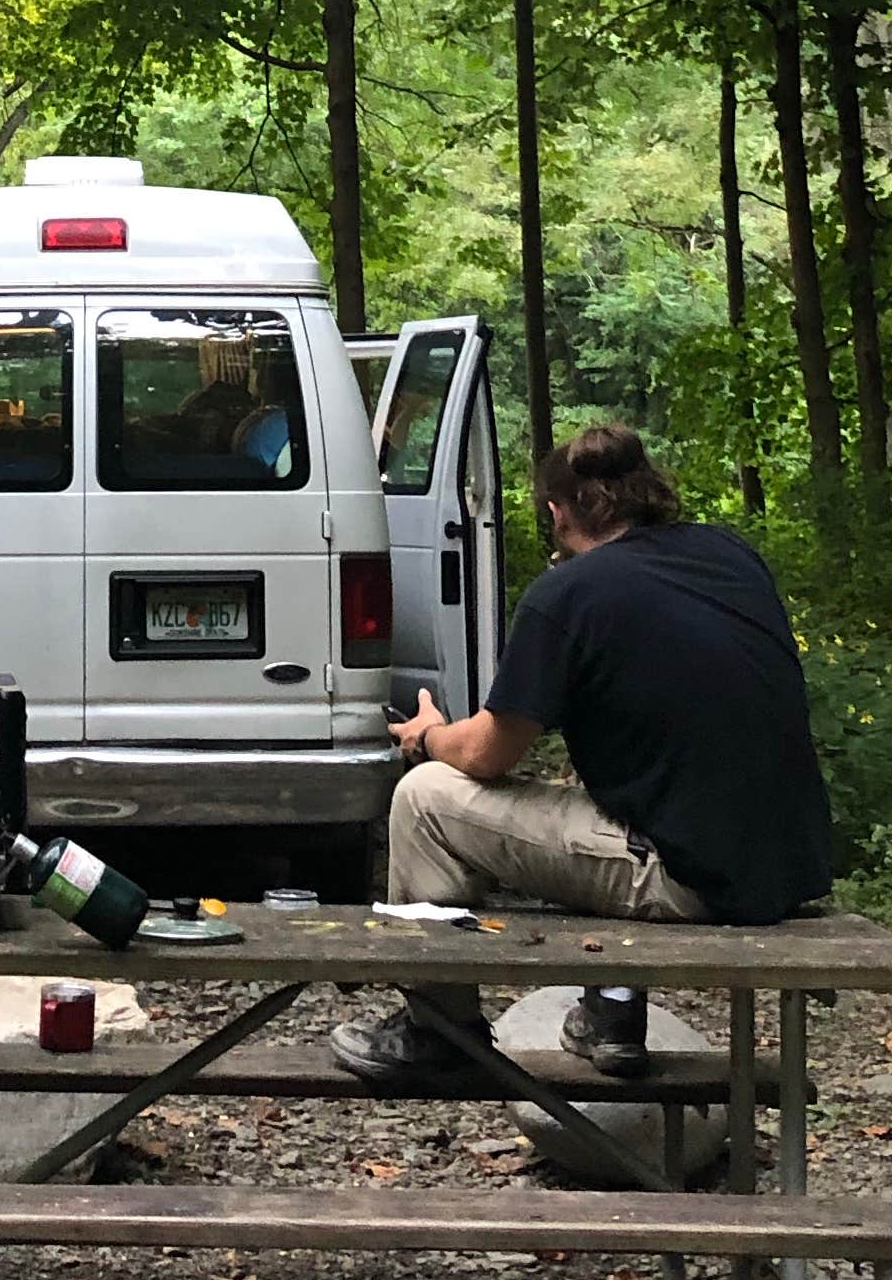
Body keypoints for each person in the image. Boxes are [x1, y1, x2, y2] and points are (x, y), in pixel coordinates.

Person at [332, 421, 834, 1095]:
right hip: (782, 863)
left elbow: (485, 754)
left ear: (556, 511)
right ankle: (613, 1011)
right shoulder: (729, 555)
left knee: (425, 798)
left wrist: (428, 735)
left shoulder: (568, 594)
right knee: (592, 789)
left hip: (693, 877)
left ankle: (437, 1031)